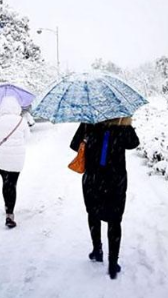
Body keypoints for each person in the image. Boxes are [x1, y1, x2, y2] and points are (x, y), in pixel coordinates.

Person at [69, 118, 140, 279]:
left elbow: (75, 145)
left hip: (93, 179)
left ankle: (97, 250)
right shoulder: (122, 126)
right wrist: (125, 124)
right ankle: (113, 263)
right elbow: (133, 143)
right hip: (116, 180)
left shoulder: (88, 122)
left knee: (93, 214)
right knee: (115, 220)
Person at [0, 96, 30, 228]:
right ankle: (10, 213)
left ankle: (8, 209)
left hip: (2, 158)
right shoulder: (21, 121)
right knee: (13, 183)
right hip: (17, 158)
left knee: (6, 183)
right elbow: (27, 137)